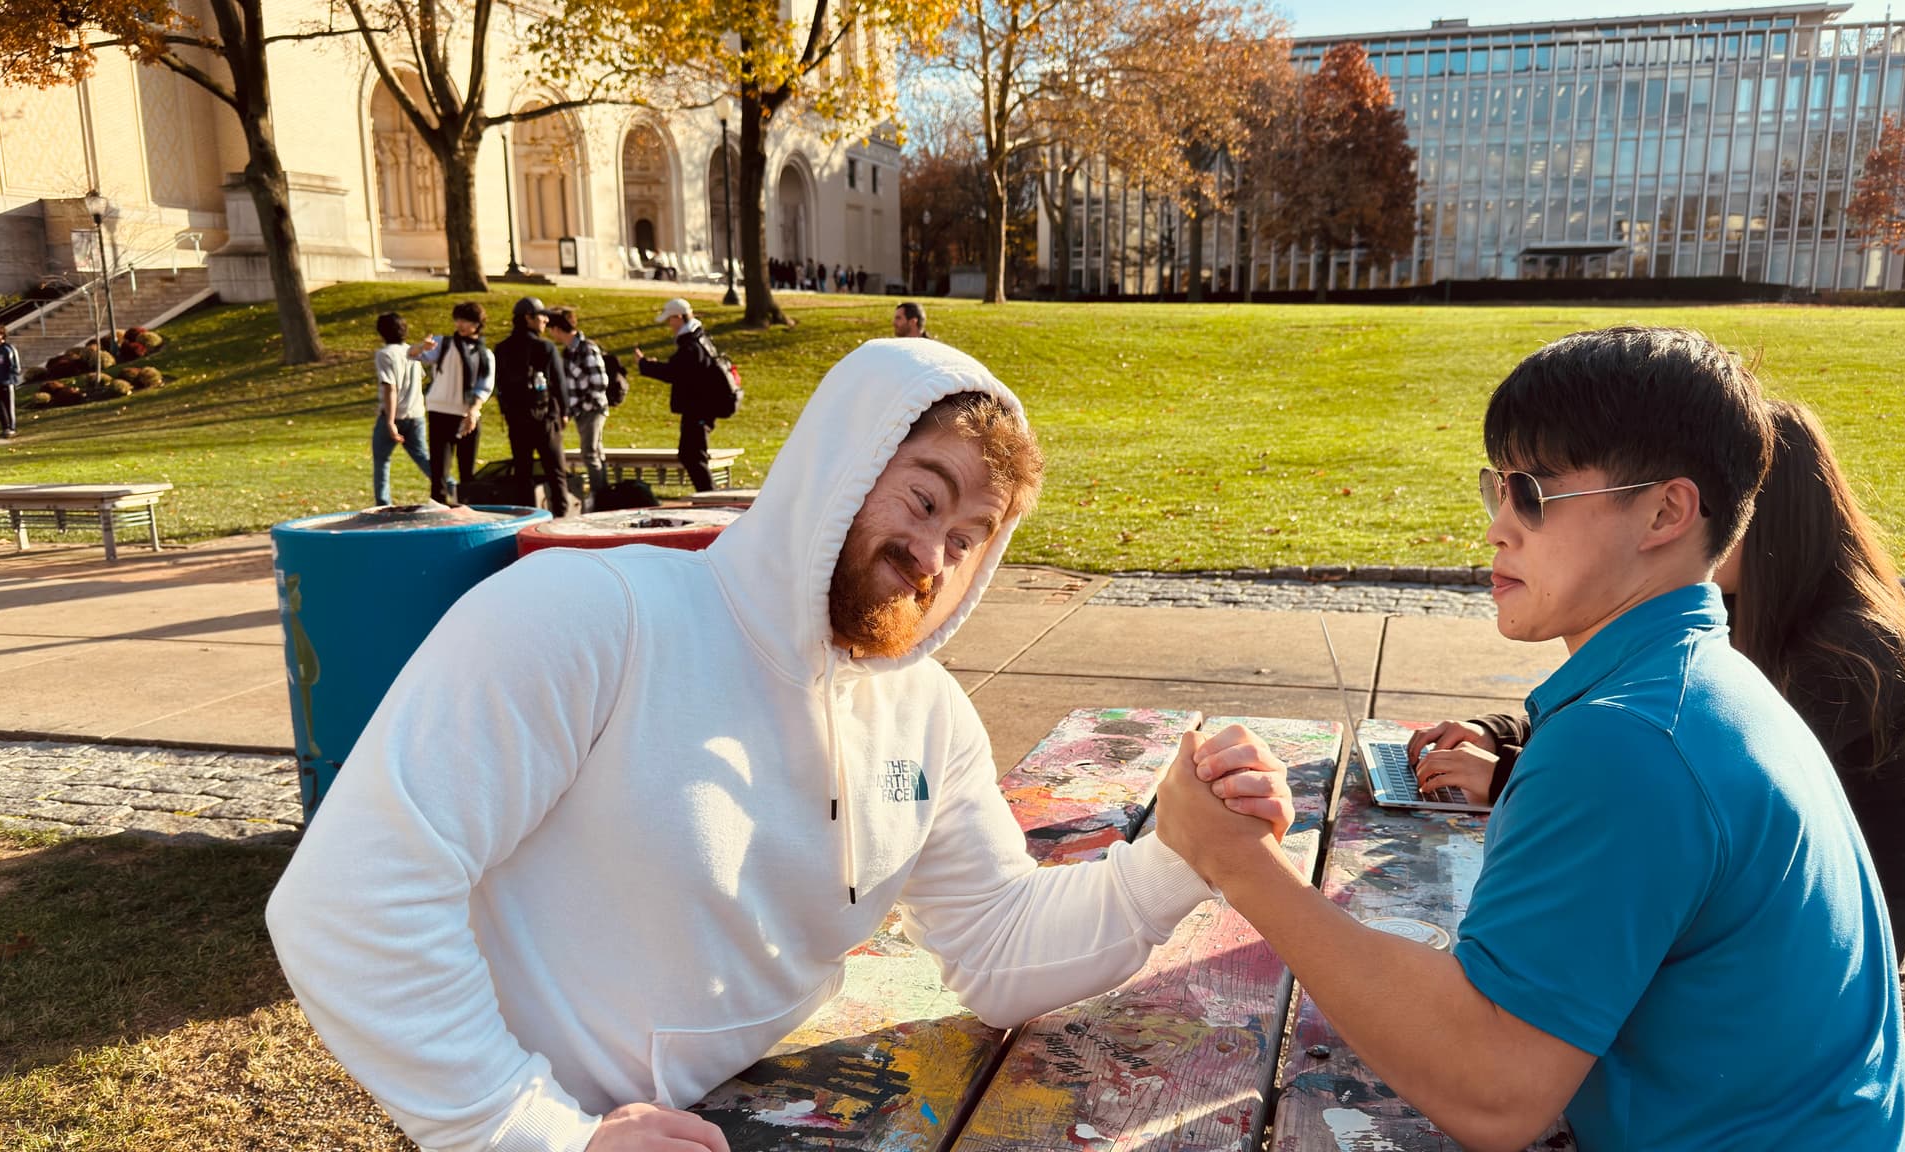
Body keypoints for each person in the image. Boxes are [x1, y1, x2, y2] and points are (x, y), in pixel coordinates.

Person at [266, 338, 1292, 1152]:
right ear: (835, 468)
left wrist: (1177, 863)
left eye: (969, 536)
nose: (931, 554)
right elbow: (349, 902)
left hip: (765, 1117)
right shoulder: (589, 614)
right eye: (922, 497)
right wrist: (530, 1130)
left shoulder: (924, 712)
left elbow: (995, 948)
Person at [1154, 327, 1905, 1151]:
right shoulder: (1699, 680)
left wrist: (1236, 863)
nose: (1497, 528)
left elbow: (1494, 1092)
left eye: (1534, 495)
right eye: (1496, 490)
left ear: (1665, 511)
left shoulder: (1630, 739)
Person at [1408, 399, 1905, 966]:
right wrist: (1492, 732)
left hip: (1827, 952)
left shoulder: (1854, 653)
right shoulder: (1734, 607)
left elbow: (1691, 793)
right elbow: (1617, 705)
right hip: (1754, 917)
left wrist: (1506, 775)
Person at [493, 296, 571, 518]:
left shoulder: (502, 348)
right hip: (545, 417)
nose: (545, 320)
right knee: (556, 472)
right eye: (541, 316)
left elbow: (498, 383)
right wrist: (564, 412)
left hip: (516, 418)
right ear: (528, 318)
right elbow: (558, 382)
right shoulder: (544, 347)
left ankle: (527, 519)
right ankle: (561, 518)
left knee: (523, 472)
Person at [633, 298, 721, 492]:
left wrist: (645, 365)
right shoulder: (697, 339)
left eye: (670, 319)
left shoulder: (691, 344)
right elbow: (680, 370)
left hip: (698, 408)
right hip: (699, 407)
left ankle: (709, 496)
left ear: (679, 317)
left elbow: (674, 372)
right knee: (691, 454)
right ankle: (708, 494)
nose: (669, 325)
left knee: (692, 455)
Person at [412, 300, 494, 506]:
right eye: (458, 320)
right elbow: (412, 355)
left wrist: (472, 412)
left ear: (477, 324)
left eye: (465, 320)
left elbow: (484, 386)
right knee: (439, 469)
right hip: (441, 411)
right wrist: (422, 347)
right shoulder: (444, 344)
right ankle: (437, 511)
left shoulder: (486, 355)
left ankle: (468, 511)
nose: (460, 324)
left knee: (467, 470)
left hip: (468, 415)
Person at [546, 306, 611, 504]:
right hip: (580, 409)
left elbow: (600, 382)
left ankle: (599, 496)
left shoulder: (586, 348)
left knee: (590, 453)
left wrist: (585, 404)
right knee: (594, 452)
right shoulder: (568, 352)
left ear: (557, 328)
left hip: (592, 409)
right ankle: (603, 493)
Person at [371, 312, 433, 506]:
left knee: (382, 460)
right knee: (423, 458)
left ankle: (383, 503)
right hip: (416, 414)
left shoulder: (384, 354)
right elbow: (420, 377)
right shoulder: (411, 351)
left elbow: (390, 386)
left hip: (394, 415)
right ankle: (452, 487)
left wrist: (390, 422)